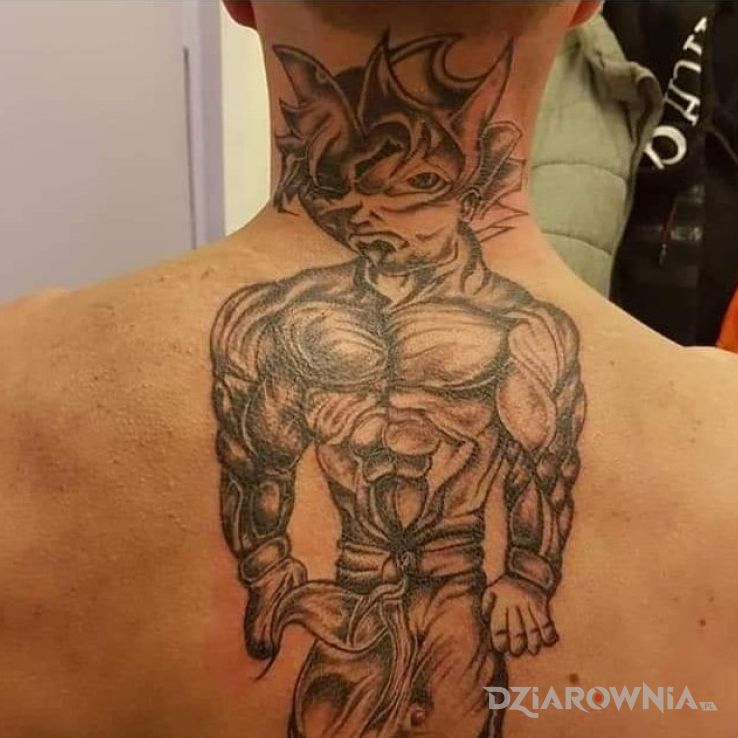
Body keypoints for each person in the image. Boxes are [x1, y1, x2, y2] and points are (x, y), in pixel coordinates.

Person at [0, 2, 736, 737]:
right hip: (353, 594)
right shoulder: (719, 441)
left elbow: (537, 464)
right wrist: (269, 572)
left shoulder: (18, 374)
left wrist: (528, 575)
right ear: (584, 5)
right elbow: (257, 460)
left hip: (452, 592)